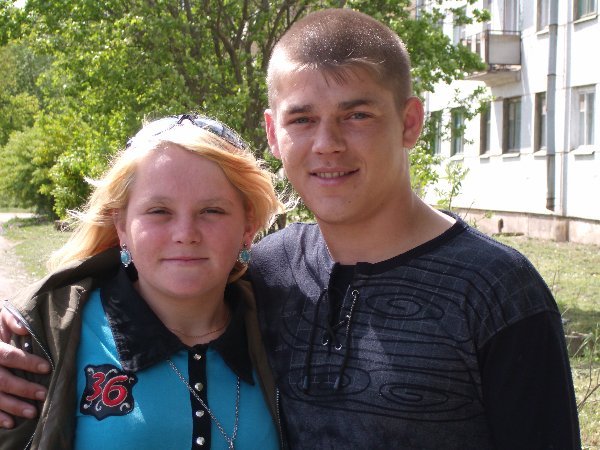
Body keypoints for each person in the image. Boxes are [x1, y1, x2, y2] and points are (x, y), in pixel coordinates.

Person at [0, 8, 582, 450]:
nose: (327, 143)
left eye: (357, 114)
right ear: (274, 134)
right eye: (302, 119)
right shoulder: (271, 271)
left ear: (409, 122)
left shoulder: (498, 291)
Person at [0, 114, 284, 449]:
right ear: (122, 226)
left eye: (212, 211)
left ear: (248, 226)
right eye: (159, 211)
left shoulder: (286, 326)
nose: (185, 234)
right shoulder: (45, 338)